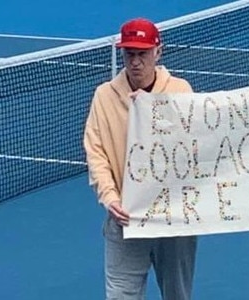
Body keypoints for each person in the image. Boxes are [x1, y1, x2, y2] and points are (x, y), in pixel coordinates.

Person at [83, 18, 197, 300]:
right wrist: (110, 198)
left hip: (174, 222)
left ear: (158, 52)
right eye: (129, 54)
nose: (135, 62)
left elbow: (197, 146)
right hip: (125, 220)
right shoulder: (104, 96)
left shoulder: (181, 91)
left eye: (142, 54)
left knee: (178, 295)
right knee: (120, 295)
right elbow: (96, 152)